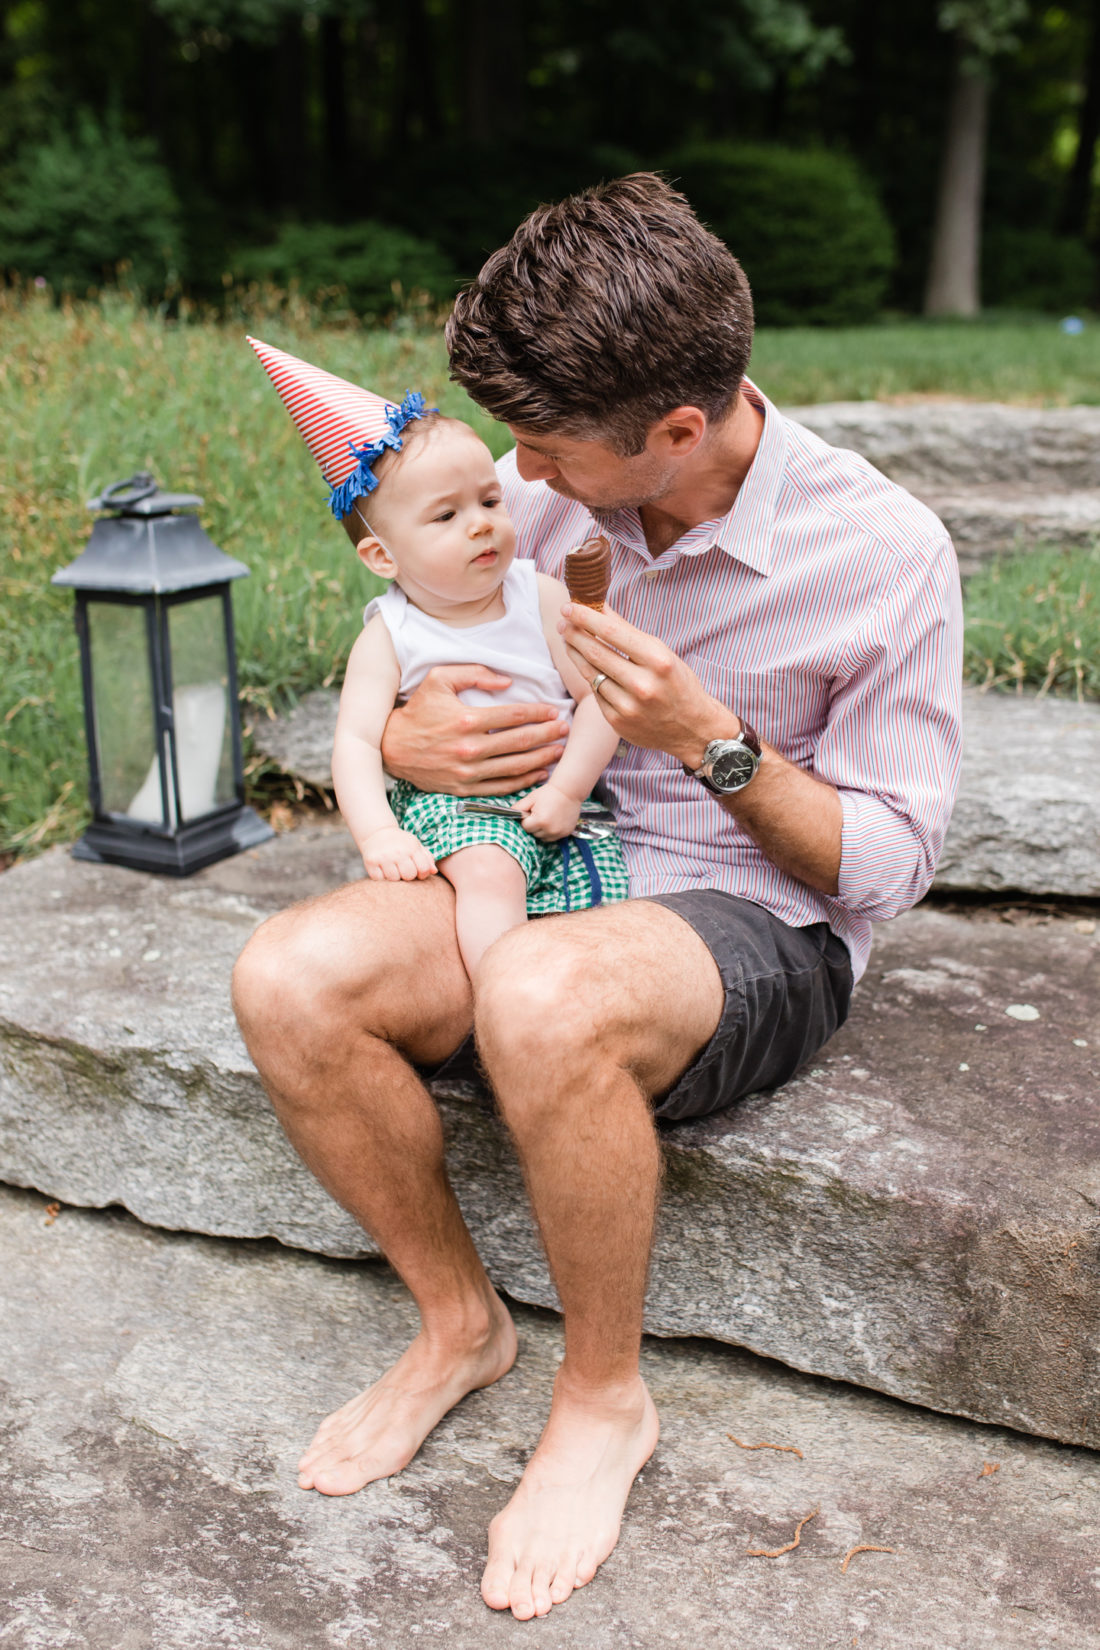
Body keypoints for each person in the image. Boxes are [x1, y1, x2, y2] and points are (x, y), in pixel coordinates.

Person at [232, 174, 963, 1622]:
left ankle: (604, 1394)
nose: (517, 472)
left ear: (676, 432)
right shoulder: (547, 496)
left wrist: (716, 742)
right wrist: (396, 736)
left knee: (539, 985)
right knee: (287, 975)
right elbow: (415, 634)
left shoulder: (883, 556)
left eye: (548, 448)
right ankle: (460, 1322)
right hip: (545, 854)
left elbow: (888, 860)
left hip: (750, 917)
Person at [246, 341, 628, 976]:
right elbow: (358, 744)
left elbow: (601, 699)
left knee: (597, 899)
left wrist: (568, 789)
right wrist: (378, 835)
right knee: (489, 874)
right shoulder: (391, 635)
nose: (480, 524)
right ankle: (500, 996)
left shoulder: (536, 594)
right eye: (446, 515)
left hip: (561, 796)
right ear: (381, 557)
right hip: (455, 805)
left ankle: (568, 997)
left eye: (489, 501)